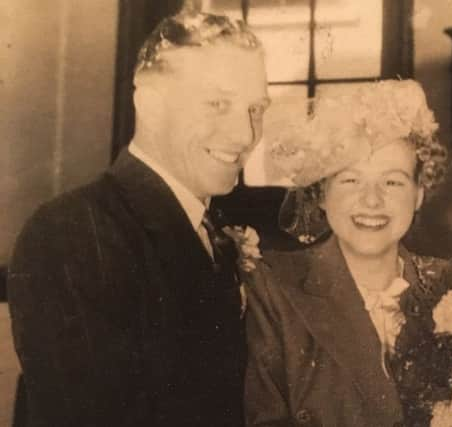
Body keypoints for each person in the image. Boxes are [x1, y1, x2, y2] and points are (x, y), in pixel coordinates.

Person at [7, 10, 270, 427]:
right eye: (218, 104)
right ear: (149, 104)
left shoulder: (206, 229)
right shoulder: (72, 232)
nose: (244, 134)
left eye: (257, 108)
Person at [244, 80, 452, 426]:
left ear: (419, 193)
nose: (372, 200)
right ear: (321, 193)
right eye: (350, 180)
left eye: (392, 181)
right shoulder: (274, 287)